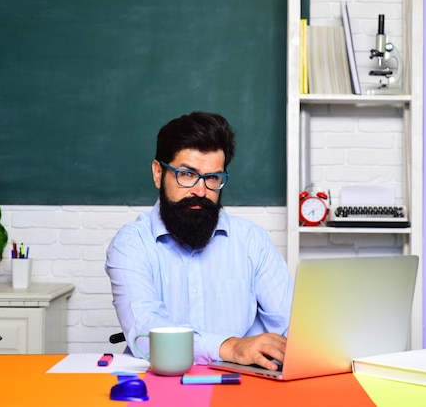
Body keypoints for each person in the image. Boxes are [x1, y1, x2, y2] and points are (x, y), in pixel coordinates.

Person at [105, 111, 293, 371]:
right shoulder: (131, 245)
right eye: (187, 174)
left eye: (213, 177)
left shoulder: (253, 241)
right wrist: (231, 347)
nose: (200, 191)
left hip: (243, 386)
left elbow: (290, 323)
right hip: (161, 383)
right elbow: (145, 332)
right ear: (158, 173)